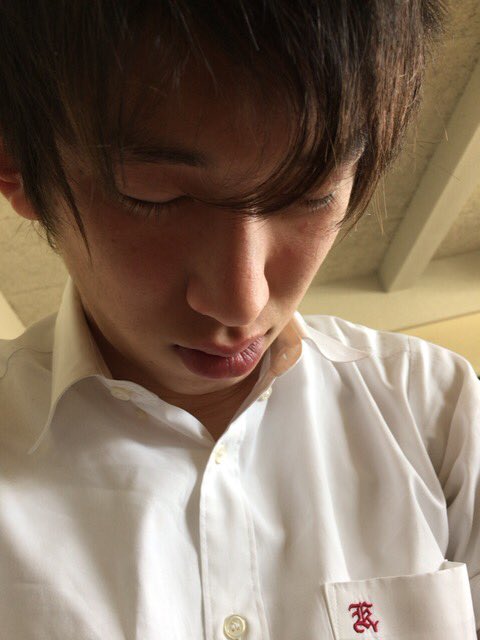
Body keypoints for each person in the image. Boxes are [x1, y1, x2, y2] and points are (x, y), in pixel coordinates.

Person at [0, 1, 479, 638]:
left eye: (313, 193)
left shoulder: (441, 413)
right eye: (156, 196)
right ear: (18, 166)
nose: (243, 303)